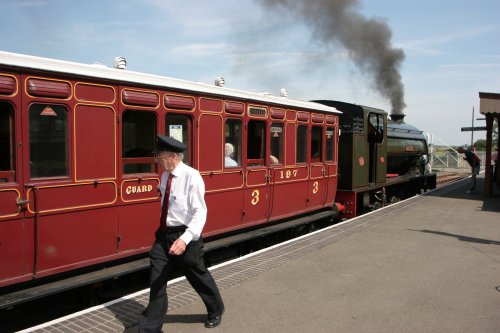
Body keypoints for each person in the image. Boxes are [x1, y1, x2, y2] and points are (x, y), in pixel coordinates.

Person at [139, 135, 224, 332]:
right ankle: (150, 328)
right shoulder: (165, 176)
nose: (156, 160)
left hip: (186, 235)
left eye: (159, 156)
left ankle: (216, 308)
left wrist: (185, 239)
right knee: (157, 280)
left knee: (197, 275)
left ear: (173, 157)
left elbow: (200, 213)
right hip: (164, 236)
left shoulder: (192, 177)